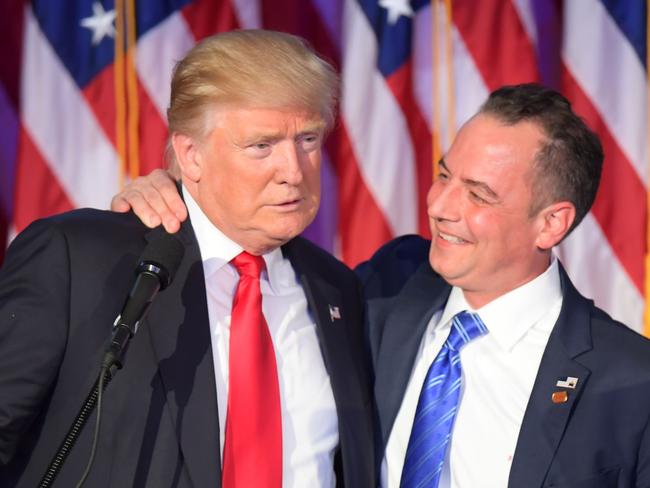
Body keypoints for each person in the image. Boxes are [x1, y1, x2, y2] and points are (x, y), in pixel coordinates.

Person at [114, 83, 650, 487]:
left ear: (551, 223)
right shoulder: (387, 287)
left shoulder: (629, 382)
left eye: (479, 195)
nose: (440, 208)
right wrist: (180, 197)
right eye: (445, 175)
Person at [0, 30, 374, 487]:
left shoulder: (340, 290)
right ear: (191, 155)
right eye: (262, 145)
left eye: (308, 139)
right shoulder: (78, 259)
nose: (294, 172)